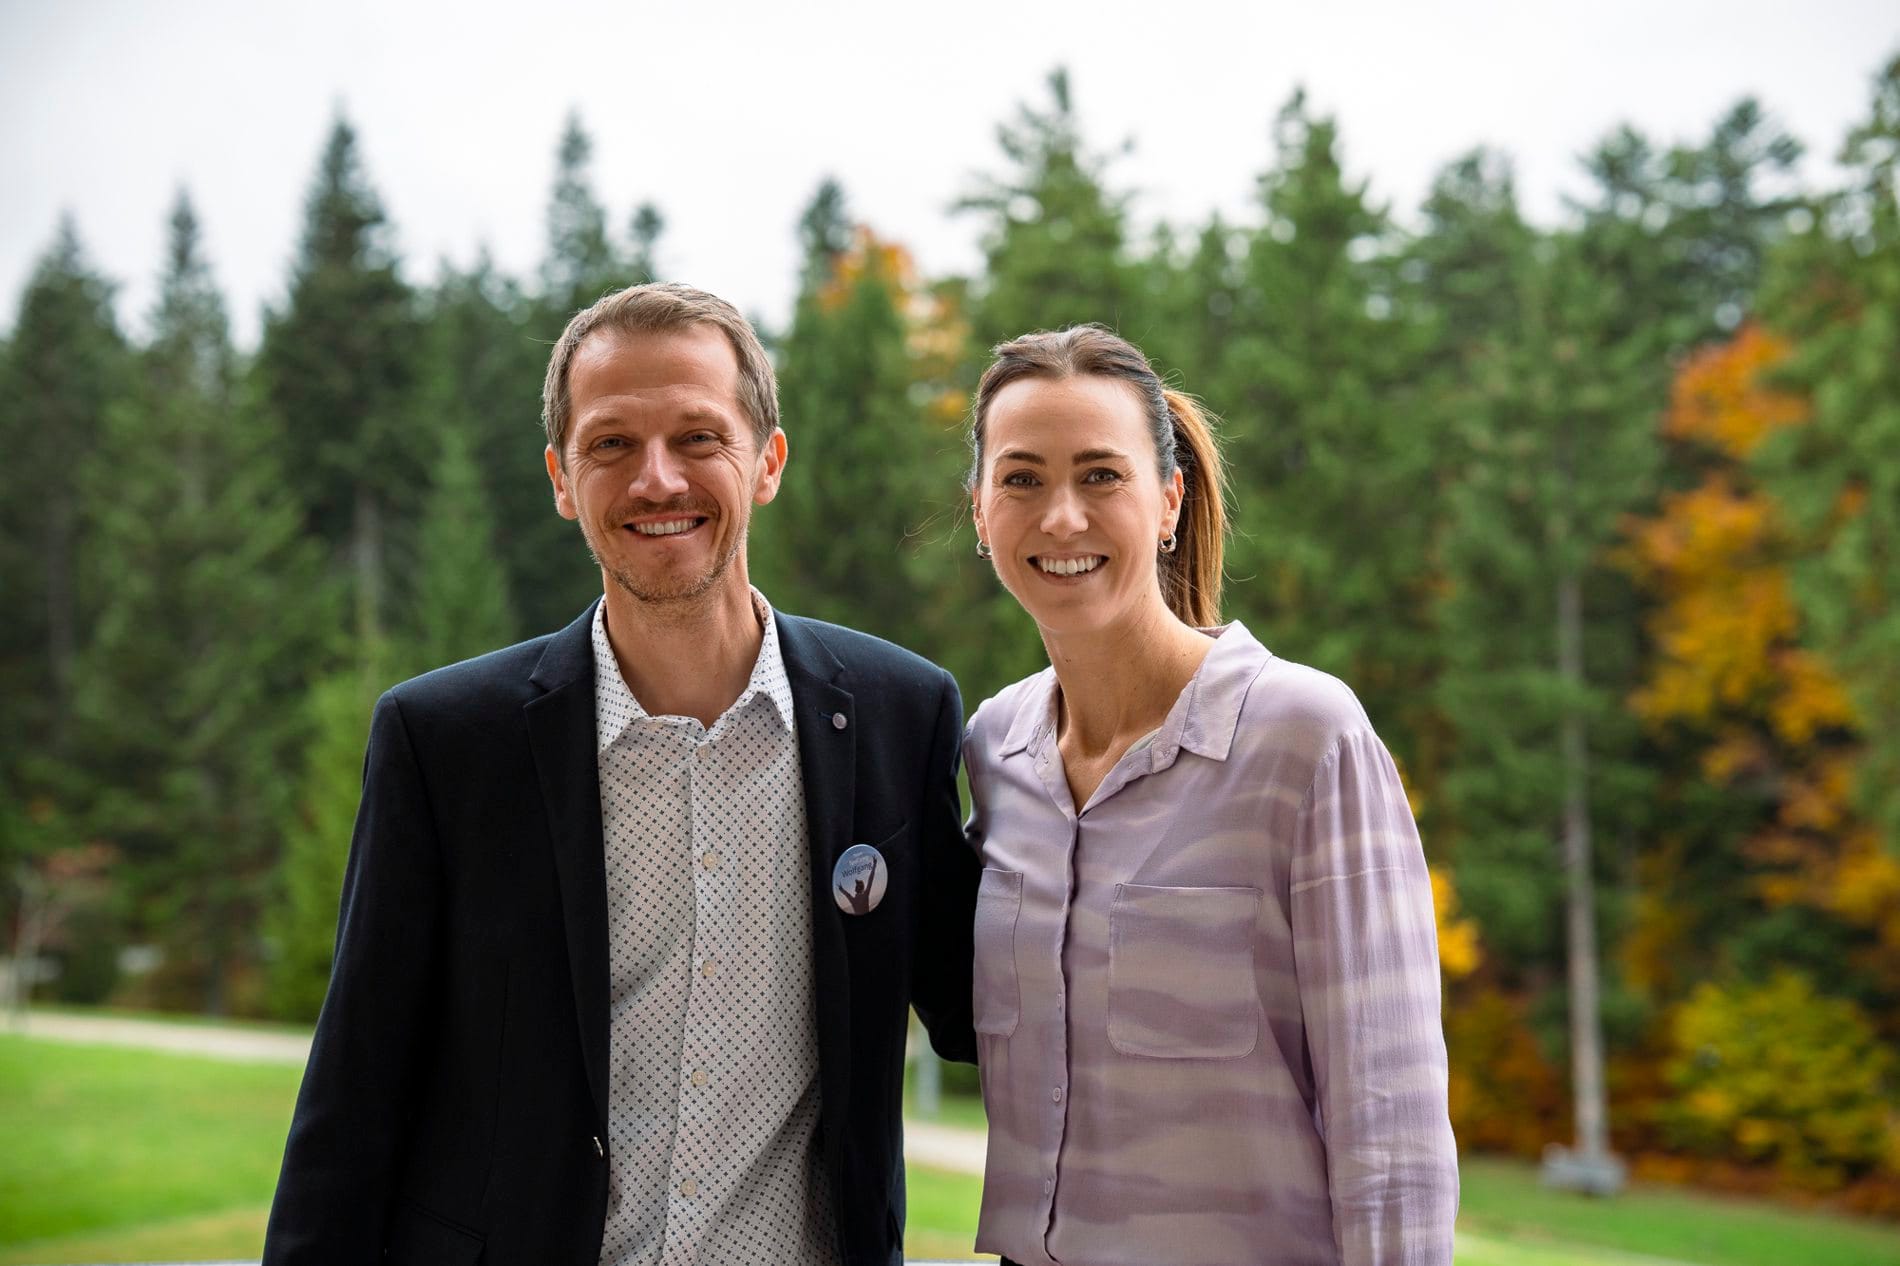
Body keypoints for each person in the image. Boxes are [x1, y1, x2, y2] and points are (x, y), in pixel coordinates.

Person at [262, 282, 980, 1266]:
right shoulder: (445, 742)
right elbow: (356, 1091)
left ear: (767, 461)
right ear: (562, 479)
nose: (656, 479)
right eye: (610, 444)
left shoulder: (902, 714)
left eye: (698, 437)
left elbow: (992, 1012)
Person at [961, 326, 1458, 1266]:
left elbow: (1391, 1133)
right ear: (980, 511)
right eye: (1022, 479)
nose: (1060, 517)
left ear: (1169, 501)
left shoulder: (1304, 735)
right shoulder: (995, 749)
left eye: (1101, 476)